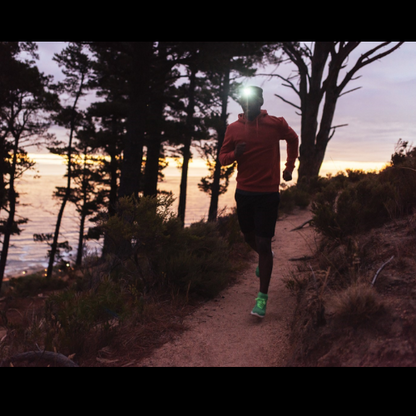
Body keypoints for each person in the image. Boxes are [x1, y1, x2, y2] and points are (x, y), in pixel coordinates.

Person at [219, 86, 299, 318]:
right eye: (244, 101)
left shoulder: (275, 124)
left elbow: (293, 139)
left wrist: (289, 167)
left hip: (267, 194)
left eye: (252, 101)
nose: (247, 105)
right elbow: (222, 159)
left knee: (264, 244)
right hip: (244, 193)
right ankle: (267, 257)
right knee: (248, 237)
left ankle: (261, 299)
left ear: (261, 101)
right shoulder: (233, 129)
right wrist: (236, 155)